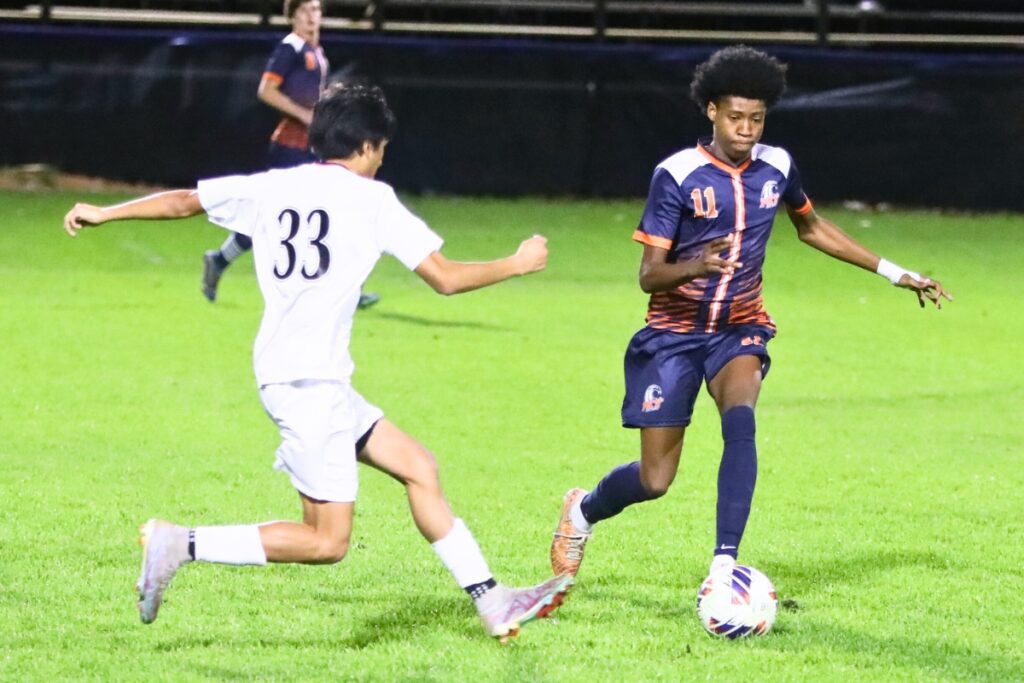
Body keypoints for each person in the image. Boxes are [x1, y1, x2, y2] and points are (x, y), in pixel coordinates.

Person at [64, 83, 571, 642]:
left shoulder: (274, 186)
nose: (382, 158)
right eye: (382, 148)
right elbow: (445, 279)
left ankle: (493, 600)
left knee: (418, 468)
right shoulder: (372, 200)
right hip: (309, 384)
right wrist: (518, 263)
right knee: (327, 542)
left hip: (304, 374)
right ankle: (179, 543)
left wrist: (104, 212)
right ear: (369, 146)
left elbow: (185, 201)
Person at [549, 45, 952, 591]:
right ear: (711, 110)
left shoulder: (777, 165)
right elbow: (649, 275)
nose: (746, 129)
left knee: (741, 419)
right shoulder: (677, 175)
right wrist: (697, 264)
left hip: (739, 329)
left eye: (756, 119)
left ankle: (723, 567)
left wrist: (894, 271)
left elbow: (811, 227)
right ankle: (583, 511)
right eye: (736, 117)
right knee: (655, 479)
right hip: (672, 336)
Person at [201, 0, 380, 310]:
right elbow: (266, 90)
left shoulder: (316, 52)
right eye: (306, 11)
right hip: (290, 147)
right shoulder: (291, 48)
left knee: (323, 215)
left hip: (315, 147)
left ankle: (344, 289)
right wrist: (304, 114)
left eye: (317, 10)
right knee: (279, 220)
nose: (313, 16)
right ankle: (220, 260)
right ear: (293, 16)